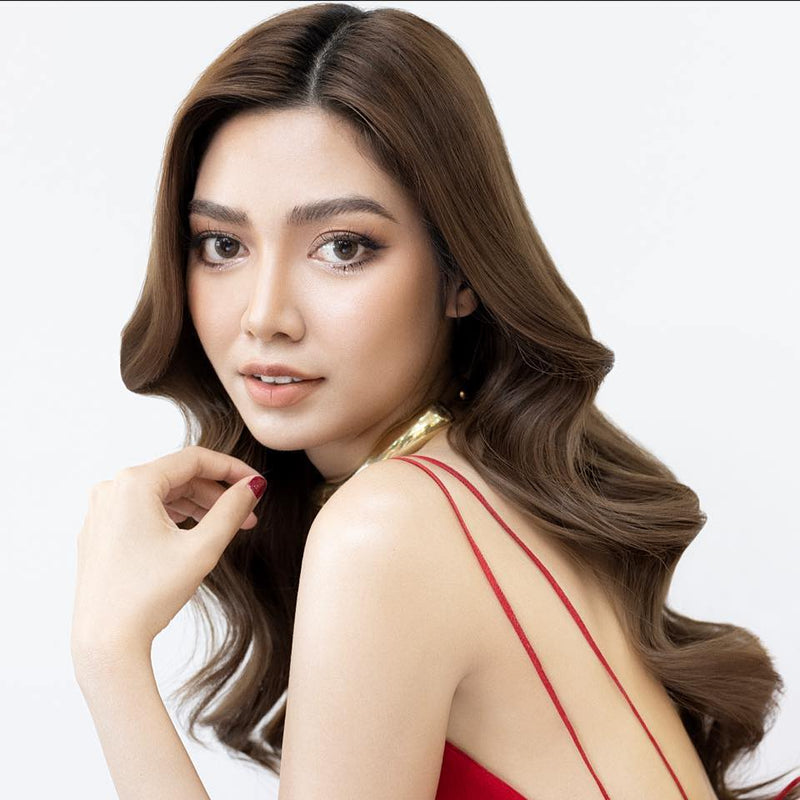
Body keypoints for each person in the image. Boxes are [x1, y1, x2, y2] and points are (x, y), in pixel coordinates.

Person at [70, 3, 799, 799]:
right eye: (223, 245)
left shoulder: (384, 529)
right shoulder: (484, 485)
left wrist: (110, 654)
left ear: (460, 275)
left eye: (342, 247)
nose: (264, 315)